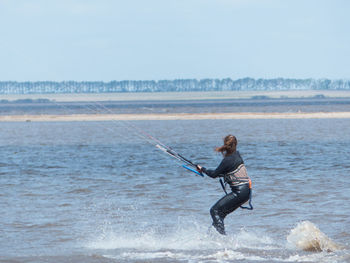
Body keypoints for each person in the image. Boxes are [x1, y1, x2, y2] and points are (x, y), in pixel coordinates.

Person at [196, 135, 252, 235]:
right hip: (246, 192)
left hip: (239, 193)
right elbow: (226, 172)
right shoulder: (237, 155)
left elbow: (214, 174)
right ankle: (211, 236)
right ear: (236, 144)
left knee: (214, 211)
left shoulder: (228, 160)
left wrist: (203, 169)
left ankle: (223, 239)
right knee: (220, 214)